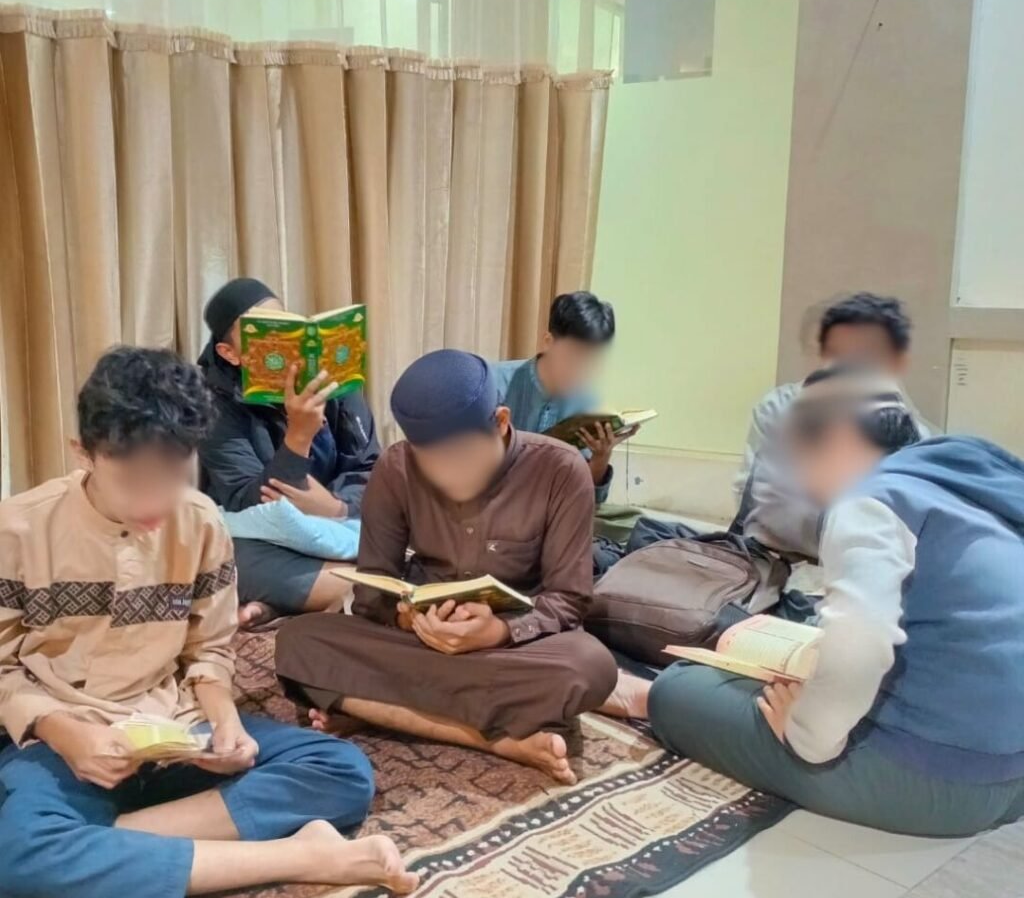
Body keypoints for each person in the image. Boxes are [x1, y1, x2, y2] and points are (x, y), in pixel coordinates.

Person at [0, 347, 415, 898]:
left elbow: (209, 649)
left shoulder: (201, 522)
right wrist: (66, 734)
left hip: (177, 728)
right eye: (133, 481)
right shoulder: (17, 530)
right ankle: (303, 856)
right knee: (17, 863)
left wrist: (225, 721)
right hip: (67, 741)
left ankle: (94, 843)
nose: (155, 502)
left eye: (174, 476)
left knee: (341, 770)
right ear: (83, 453)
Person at [606, 365, 1024, 837]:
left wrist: (805, 734)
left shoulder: (871, 501)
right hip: (1014, 777)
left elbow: (862, 641)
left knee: (682, 687)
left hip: (939, 785)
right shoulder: (971, 485)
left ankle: (641, 696)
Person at [276, 349, 618, 786]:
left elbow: (568, 599)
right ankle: (500, 738)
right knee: (299, 640)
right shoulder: (397, 467)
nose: (449, 477)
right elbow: (373, 592)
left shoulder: (560, 469)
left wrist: (498, 631)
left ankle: (372, 706)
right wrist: (410, 619)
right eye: (433, 464)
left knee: (589, 666)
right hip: (417, 639)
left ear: (500, 422)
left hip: (511, 648)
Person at [198, 277, 380, 618]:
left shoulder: (332, 377)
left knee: (399, 528)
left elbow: (370, 467)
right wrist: (299, 437)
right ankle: (357, 589)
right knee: (222, 556)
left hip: (338, 524)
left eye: (283, 328)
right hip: (263, 537)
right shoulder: (212, 402)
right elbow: (246, 501)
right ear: (229, 353)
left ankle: (288, 602)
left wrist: (336, 507)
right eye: (263, 335)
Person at [734, 292, 935, 559]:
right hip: (782, 554)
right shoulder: (778, 406)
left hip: (860, 553)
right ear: (806, 352)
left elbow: (920, 482)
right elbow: (749, 494)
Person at [493, 291, 630, 505]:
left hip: (554, 512)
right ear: (548, 342)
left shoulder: (587, 403)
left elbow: (586, 501)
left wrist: (601, 456)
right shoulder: (495, 383)